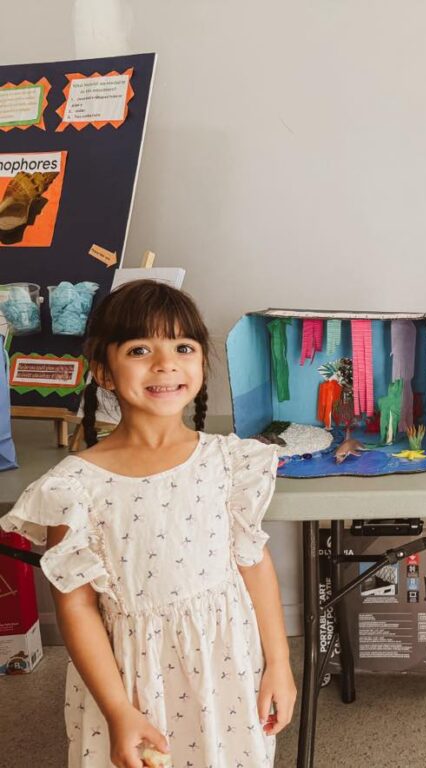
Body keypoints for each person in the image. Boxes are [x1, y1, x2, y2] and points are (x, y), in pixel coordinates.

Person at [1, 280, 296, 768]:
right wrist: (118, 711)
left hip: (227, 669)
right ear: (105, 372)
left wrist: (279, 665)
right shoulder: (73, 488)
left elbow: (254, 564)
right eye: (141, 349)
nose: (165, 363)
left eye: (183, 346)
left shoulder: (229, 462)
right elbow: (76, 609)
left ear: (202, 361)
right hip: (130, 680)